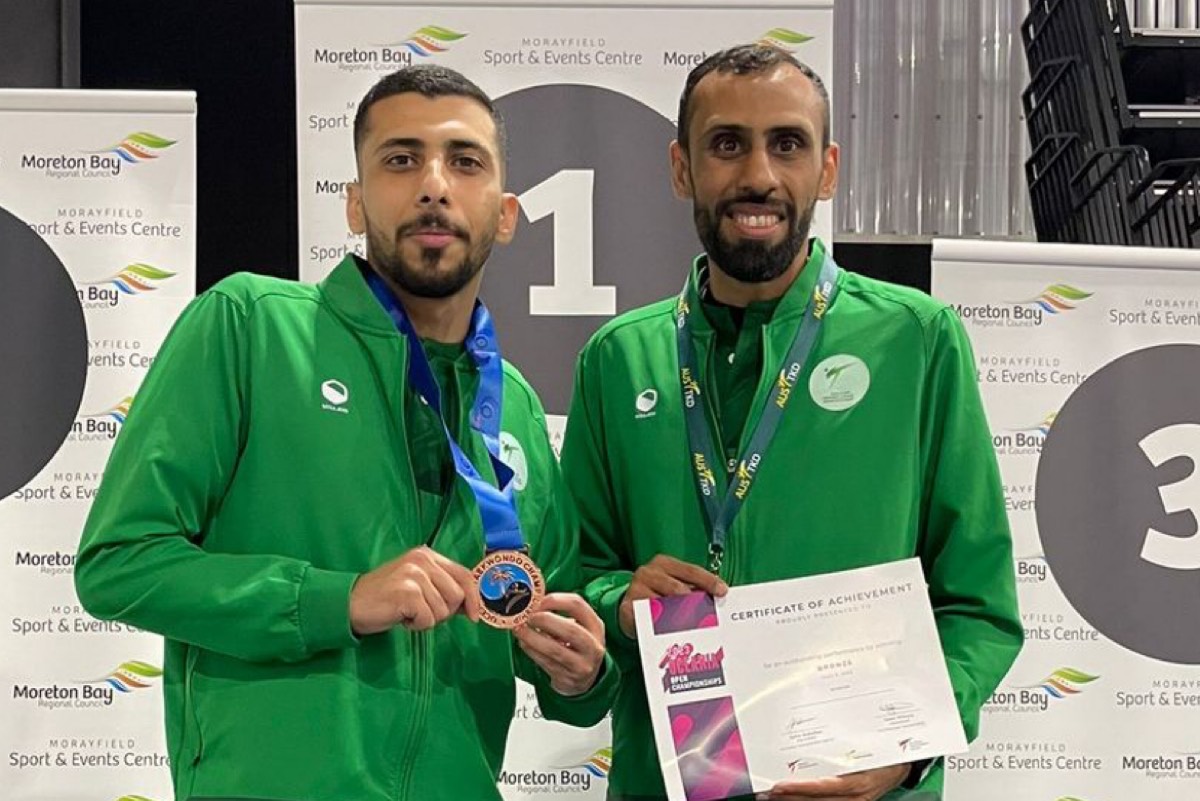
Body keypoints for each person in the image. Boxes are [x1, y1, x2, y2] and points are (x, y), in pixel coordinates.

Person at [75, 65, 615, 801]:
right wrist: (340, 599)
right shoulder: (251, 327)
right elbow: (118, 564)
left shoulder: (514, 404)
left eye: (465, 162)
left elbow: (550, 638)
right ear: (356, 203)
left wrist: (582, 674)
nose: (433, 185)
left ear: (506, 213)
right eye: (401, 159)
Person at [560, 44, 1022, 801]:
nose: (759, 176)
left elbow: (978, 603)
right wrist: (622, 601)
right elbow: (573, 580)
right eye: (726, 144)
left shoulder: (916, 339)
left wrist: (907, 749)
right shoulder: (617, 359)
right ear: (681, 168)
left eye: (787, 144)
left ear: (827, 169)